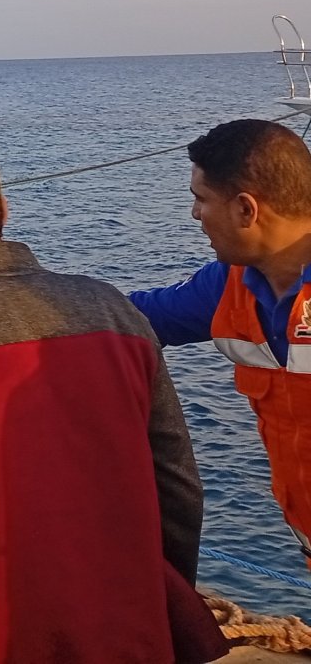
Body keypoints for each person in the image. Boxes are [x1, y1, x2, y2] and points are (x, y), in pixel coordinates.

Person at [0, 134, 224, 663]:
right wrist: (159, 593)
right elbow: (177, 483)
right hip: (127, 627)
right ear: (2, 209)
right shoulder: (113, 311)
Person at [130, 118, 311, 568]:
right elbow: (124, 317)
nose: (194, 214)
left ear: (246, 209)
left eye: (201, 198)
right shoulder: (225, 288)